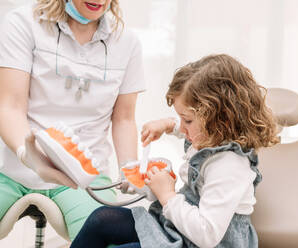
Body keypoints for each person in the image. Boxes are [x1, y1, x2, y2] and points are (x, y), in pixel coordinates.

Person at [70, 54, 280, 248]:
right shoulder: (211, 138)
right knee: (101, 219)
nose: (183, 126)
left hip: (204, 242)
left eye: (187, 120)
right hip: (179, 230)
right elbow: (188, 130)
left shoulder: (228, 166)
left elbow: (207, 235)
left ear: (220, 119)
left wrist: (168, 195)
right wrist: (168, 125)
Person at [0, 0, 145, 241]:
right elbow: (9, 107)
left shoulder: (126, 43)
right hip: (14, 168)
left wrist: (129, 169)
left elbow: (124, 119)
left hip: (85, 179)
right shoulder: (23, 23)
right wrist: (28, 155)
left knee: (113, 239)